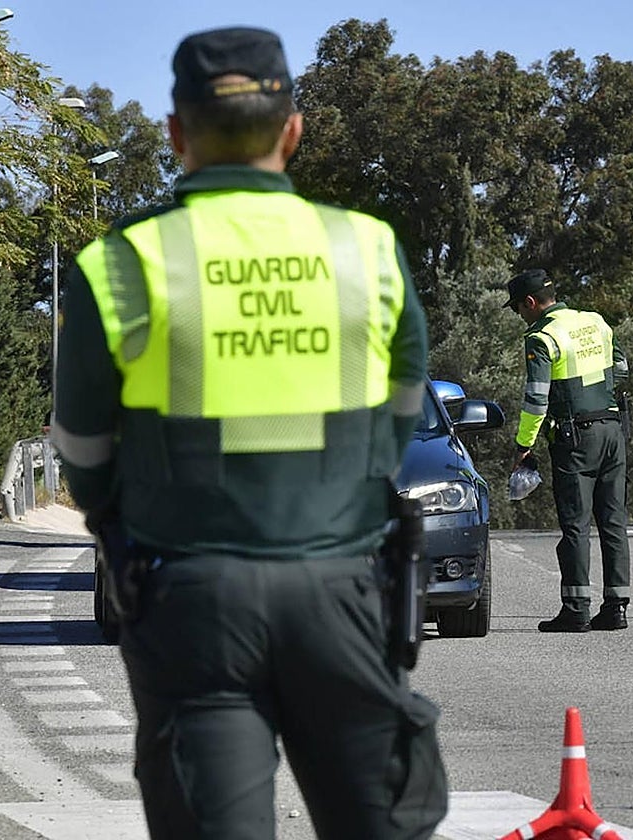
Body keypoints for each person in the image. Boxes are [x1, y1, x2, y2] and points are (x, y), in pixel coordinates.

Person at [51, 26, 448, 840]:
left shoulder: (124, 262)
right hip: (341, 583)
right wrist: (355, 485)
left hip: (192, 599)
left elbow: (82, 441)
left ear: (175, 133)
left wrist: (112, 524)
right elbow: (406, 401)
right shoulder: (365, 250)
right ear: (293, 128)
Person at [504, 269, 632, 633]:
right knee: (613, 521)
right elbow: (621, 368)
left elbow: (536, 399)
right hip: (611, 430)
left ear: (530, 303)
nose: (520, 316)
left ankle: (576, 609)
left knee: (575, 524)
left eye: (517, 308)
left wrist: (523, 444)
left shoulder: (542, 337)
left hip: (576, 439)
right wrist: (595, 392)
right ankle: (616, 608)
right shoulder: (596, 322)